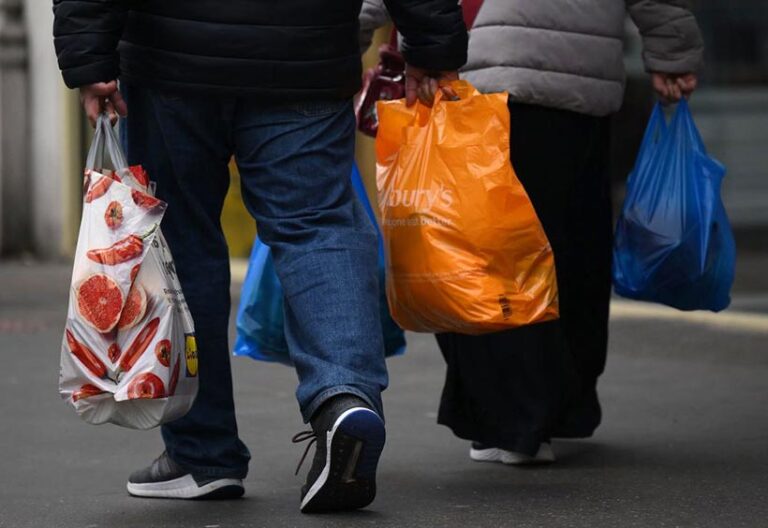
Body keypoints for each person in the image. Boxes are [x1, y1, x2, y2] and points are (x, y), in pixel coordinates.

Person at [53, 0, 467, 512]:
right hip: (305, 50)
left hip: (173, 55)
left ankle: (204, 454)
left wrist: (88, 58)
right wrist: (432, 43)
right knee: (317, 226)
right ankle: (345, 399)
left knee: (182, 242)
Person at [360, 0, 703, 464]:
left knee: (488, 253)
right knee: (570, 245)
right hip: (584, 76)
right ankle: (561, 406)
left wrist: (340, 37)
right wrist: (672, 52)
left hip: (493, 69)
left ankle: (514, 422)